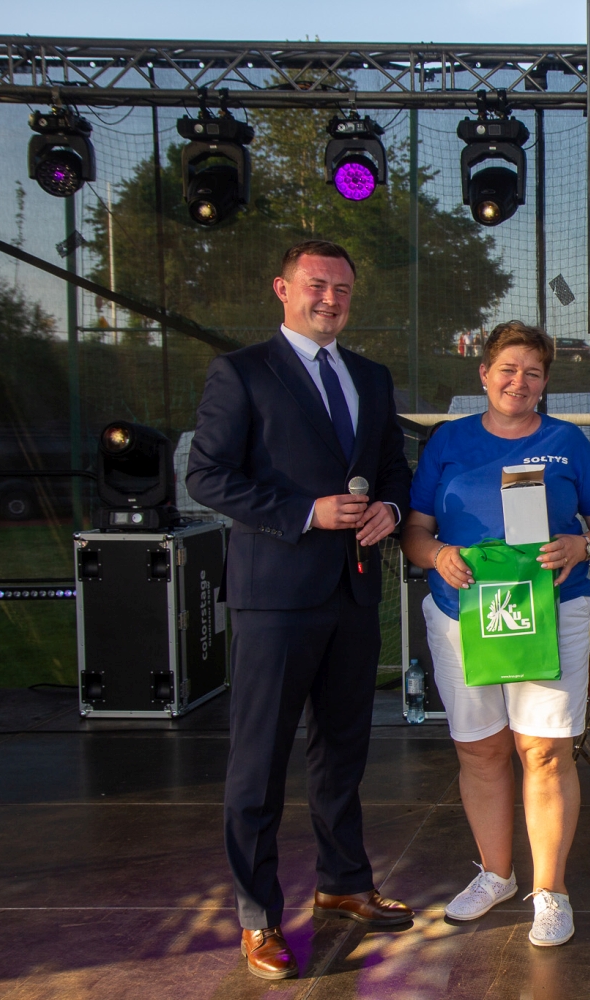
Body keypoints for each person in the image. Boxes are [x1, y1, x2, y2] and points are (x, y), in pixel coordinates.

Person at [186, 240, 414, 980]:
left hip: (353, 593)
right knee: (259, 762)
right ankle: (257, 917)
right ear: (281, 289)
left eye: (342, 289)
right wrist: (306, 512)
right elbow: (206, 476)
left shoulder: (370, 377)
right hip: (275, 598)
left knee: (342, 752)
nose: (331, 299)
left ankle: (343, 882)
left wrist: (389, 508)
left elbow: (392, 468)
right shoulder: (242, 372)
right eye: (317, 285)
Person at [400, 321, 590, 947]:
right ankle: (496, 875)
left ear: (545, 382)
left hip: (550, 612)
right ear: (484, 373)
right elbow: (414, 531)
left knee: (544, 751)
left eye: (532, 372)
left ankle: (550, 891)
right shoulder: (448, 442)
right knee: (481, 750)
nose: (518, 382)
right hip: (462, 615)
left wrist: (582, 545)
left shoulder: (566, 441)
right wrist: (438, 554)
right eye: (507, 369)